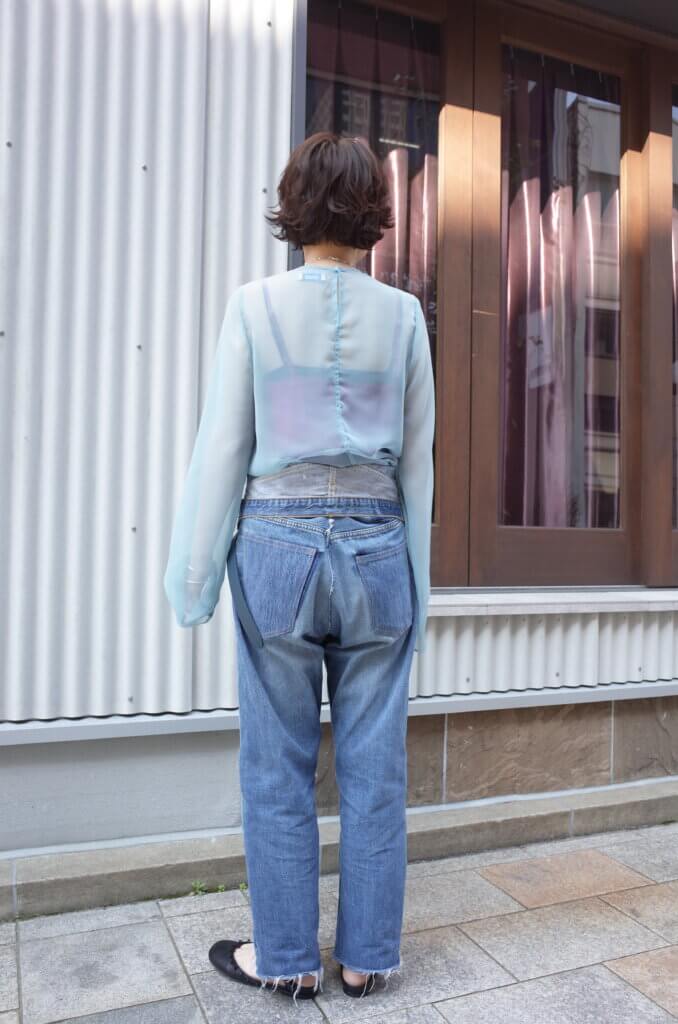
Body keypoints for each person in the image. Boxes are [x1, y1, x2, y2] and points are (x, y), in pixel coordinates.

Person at [163, 130, 435, 1007]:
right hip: (378, 542)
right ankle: (366, 958)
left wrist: (193, 581)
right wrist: (418, 587)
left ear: (294, 205)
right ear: (373, 212)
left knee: (275, 763)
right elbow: (418, 463)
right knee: (375, 765)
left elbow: (222, 448)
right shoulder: (405, 316)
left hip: (276, 543)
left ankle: (284, 957)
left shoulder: (254, 305)